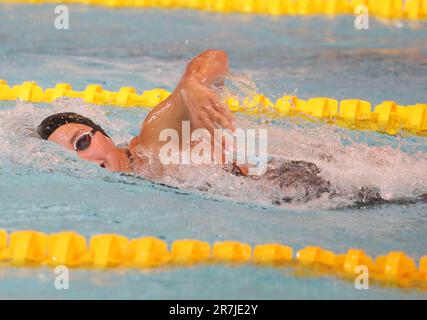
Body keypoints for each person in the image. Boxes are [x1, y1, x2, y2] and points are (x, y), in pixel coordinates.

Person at [37, 50, 387, 206]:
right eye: (68, 157)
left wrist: (191, 84)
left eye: (82, 142)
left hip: (317, 181)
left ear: (106, 136)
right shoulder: (137, 177)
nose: (82, 159)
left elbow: (215, 57)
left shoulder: (152, 141)